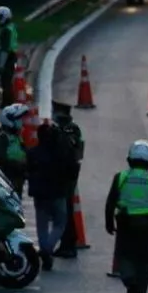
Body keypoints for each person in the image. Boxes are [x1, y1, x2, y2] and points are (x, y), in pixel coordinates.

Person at [105, 140, 148, 293]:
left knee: (124, 256)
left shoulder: (121, 177)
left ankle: (130, 282)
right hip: (147, 226)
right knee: (143, 260)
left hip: (125, 223)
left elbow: (111, 202)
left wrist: (108, 221)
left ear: (130, 159)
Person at [26, 122, 70, 271]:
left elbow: (28, 170)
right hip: (58, 193)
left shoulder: (33, 153)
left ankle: (45, 248)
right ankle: (48, 248)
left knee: (42, 225)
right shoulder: (61, 155)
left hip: (40, 194)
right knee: (60, 223)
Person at [52, 102, 85, 259]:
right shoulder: (71, 129)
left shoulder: (68, 130)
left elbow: (69, 153)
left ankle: (68, 244)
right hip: (68, 172)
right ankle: (67, 243)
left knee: (65, 210)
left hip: (66, 174)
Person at [0, 103, 28, 196]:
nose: (21, 121)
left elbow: (23, 151)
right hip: (7, 178)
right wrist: (19, 165)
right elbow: (1, 158)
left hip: (18, 177)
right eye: (18, 119)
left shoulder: (16, 135)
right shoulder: (2, 136)